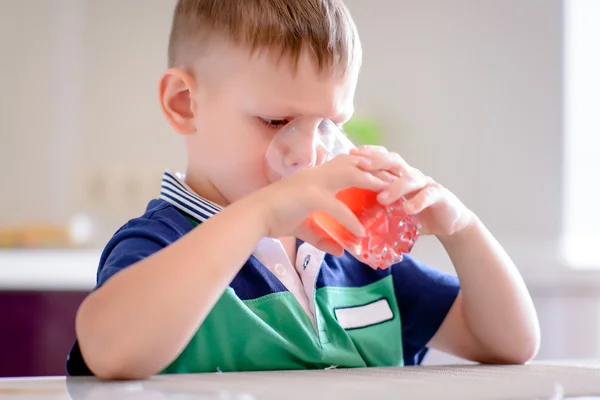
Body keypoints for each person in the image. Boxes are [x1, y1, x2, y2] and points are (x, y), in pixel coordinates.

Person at [66, 0, 540, 380]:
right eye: (276, 121)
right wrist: (258, 216)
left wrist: (463, 229)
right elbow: (112, 350)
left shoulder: (355, 258)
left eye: (332, 124)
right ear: (185, 104)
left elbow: (509, 343)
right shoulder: (164, 244)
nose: (309, 153)